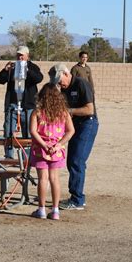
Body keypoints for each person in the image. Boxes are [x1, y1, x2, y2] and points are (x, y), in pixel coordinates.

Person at [48, 63, 99, 210]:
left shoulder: (82, 84)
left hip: (87, 125)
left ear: (66, 73)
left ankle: (77, 199)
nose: (59, 84)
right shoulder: (63, 89)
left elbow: (90, 109)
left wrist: (69, 111)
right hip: (73, 125)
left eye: (59, 80)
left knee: (77, 160)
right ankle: (75, 196)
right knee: (71, 160)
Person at [30, 83, 75, 220]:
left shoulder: (37, 112)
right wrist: (58, 145)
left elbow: (32, 131)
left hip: (40, 149)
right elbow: (71, 131)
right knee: (55, 179)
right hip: (57, 150)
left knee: (43, 179)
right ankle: (55, 210)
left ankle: (41, 209)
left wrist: (43, 144)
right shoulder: (64, 113)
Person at [0, 46, 43, 158]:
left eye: (22, 55)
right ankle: (9, 157)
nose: (20, 57)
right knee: (9, 131)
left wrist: (28, 70)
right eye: (18, 55)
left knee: (28, 134)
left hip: (28, 106)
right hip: (12, 104)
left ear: (27, 55)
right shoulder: (12, 67)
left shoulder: (33, 67)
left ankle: (25, 159)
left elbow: (39, 78)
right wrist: (5, 70)